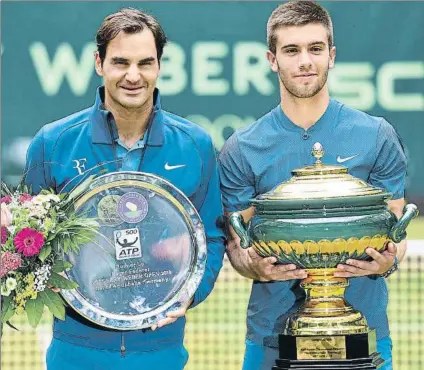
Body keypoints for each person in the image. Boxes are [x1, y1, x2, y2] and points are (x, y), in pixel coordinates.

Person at [24, 8, 225, 370]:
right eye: (121, 62)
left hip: (160, 349)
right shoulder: (52, 143)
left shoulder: (195, 144)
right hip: (74, 349)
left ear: (160, 66)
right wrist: (41, 279)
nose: (133, 76)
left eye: (145, 63)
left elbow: (210, 236)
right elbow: (29, 238)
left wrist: (191, 293)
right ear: (99, 63)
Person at [218, 1, 406, 370]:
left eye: (315, 49)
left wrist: (385, 262)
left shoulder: (377, 136)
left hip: (363, 332)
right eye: (291, 50)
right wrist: (255, 267)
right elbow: (237, 245)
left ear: (331, 55)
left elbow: (393, 236)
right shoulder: (242, 147)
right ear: (272, 59)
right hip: (271, 335)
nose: (305, 61)